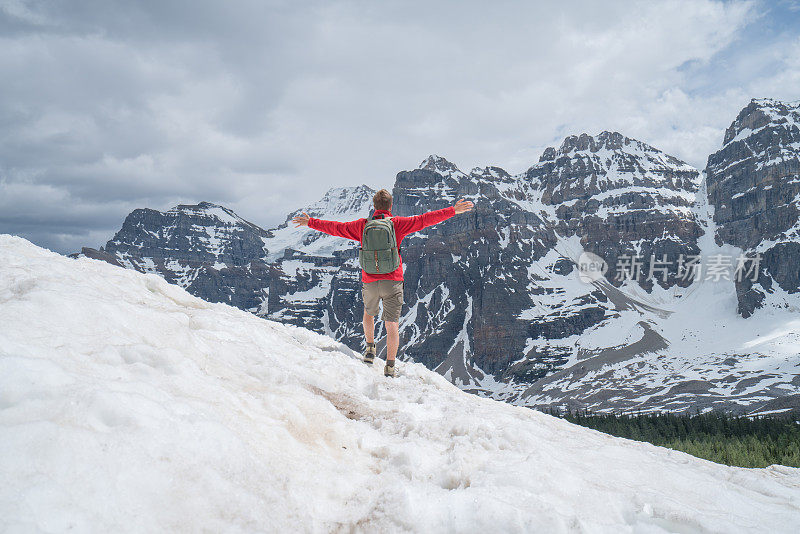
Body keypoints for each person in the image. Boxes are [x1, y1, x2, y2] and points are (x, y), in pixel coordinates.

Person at [292, 189, 474, 377]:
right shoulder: (397, 224)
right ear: (391, 206)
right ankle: (390, 366)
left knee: (368, 314)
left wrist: (311, 222)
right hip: (392, 281)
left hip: (370, 279)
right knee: (392, 323)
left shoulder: (362, 225)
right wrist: (453, 210)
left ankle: (370, 349)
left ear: (374, 206)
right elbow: (424, 219)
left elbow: (336, 228)